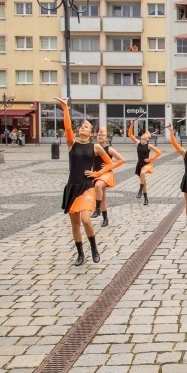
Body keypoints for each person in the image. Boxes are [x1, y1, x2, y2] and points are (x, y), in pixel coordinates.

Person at [56, 97, 115, 266]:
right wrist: (65, 108)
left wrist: (97, 173)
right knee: (75, 224)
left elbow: (110, 164)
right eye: (82, 126)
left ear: (91, 133)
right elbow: (67, 127)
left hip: (87, 187)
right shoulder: (71, 144)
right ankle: (80, 254)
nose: (83, 127)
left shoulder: (95, 147)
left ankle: (94, 248)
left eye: (87, 127)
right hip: (72, 187)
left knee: (86, 220)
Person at [90, 128, 125, 227]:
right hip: (96, 173)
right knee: (102, 197)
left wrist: (111, 166)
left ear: (107, 138)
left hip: (106, 174)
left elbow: (122, 160)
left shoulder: (109, 149)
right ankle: (105, 219)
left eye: (103, 135)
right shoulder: (93, 148)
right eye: (99, 135)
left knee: (98, 186)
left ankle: (97, 210)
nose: (100, 136)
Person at [128, 121, 162, 205]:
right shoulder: (138, 143)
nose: (143, 135)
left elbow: (159, 152)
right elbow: (130, 135)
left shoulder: (149, 146)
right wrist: (131, 126)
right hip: (139, 164)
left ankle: (139, 190)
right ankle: (146, 199)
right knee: (144, 182)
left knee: (143, 173)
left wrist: (151, 159)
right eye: (143, 134)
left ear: (148, 139)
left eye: (146, 135)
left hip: (147, 165)